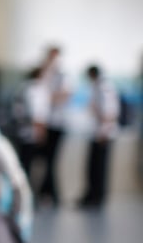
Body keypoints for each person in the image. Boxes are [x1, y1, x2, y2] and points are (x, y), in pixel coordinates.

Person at [77, 64, 120, 210]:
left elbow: (109, 113)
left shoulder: (104, 87)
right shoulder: (98, 86)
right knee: (93, 167)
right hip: (97, 133)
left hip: (103, 135)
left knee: (99, 168)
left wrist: (104, 133)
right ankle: (91, 195)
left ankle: (97, 197)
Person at [37, 45, 71, 206]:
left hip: (57, 124)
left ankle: (51, 194)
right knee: (44, 160)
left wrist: (45, 97)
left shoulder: (63, 75)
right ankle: (46, 192)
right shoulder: (43, 73)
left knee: (51, 160)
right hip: (44, 123)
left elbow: (63, 96)